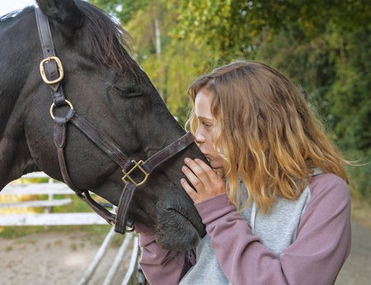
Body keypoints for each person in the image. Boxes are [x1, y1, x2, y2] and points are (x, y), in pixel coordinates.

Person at [136, 61, 351, 284]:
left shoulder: (326, 193)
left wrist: (219, 213)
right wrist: (151, 227)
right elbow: (171, 279)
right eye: (197, 125)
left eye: (207, 125)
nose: (196, 136)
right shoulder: (214, 183)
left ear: (257, 127)